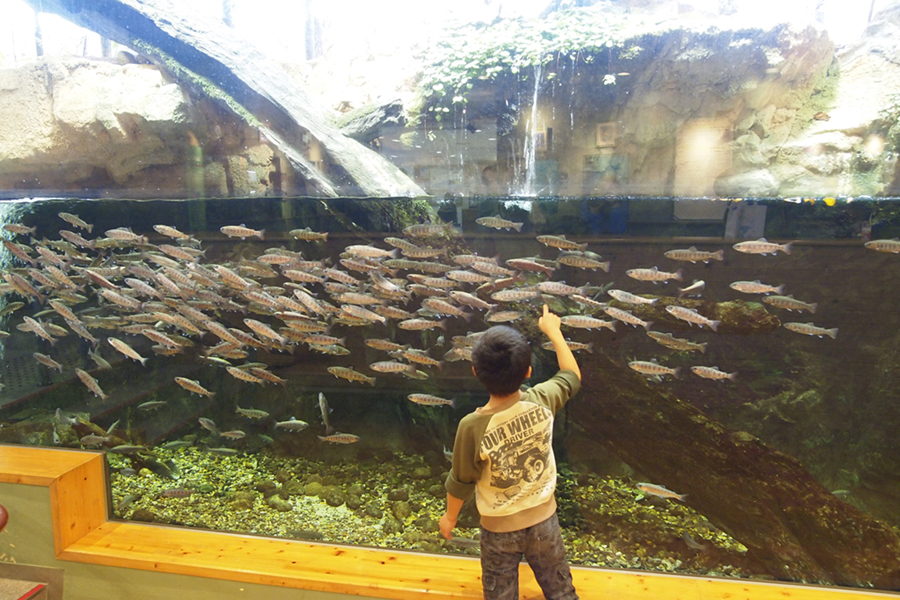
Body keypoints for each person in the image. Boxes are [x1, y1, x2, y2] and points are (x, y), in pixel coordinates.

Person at [440, 305, 581, 600]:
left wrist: (450, 518)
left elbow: (461, 481)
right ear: (528, 372)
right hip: (545, 522)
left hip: (498, 531)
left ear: (475, 371)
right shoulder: (542, 400)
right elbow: (571, 375)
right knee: (562, 592)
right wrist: (554, 333)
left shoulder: (472, 426)